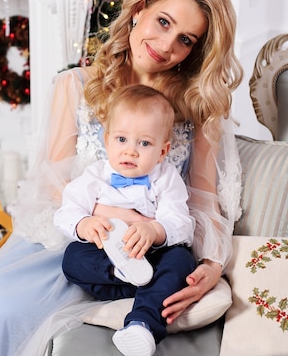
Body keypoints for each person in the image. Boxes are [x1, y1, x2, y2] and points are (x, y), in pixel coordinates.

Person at [0, 0, 243, 356]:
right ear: (139, 9)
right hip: (76, 240)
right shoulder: (75, 86)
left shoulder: (198, 108)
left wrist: (210, 264)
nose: (167, 43)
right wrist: (100, 220)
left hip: (151, 248)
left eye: (185, 39)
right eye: (163, 21)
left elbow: (203, 199)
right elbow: (51, 186)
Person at [55, 84, 196, 356]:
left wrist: (155, 229)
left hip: (152, 257)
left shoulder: (166, 178)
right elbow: (65, 212)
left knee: (182, 260)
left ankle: (141, 325)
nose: (131, 151)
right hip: (108, 260)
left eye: (144, 143)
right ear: (107, 140)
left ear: (163, 151)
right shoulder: (95, 176)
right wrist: (83, 224)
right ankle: (119, 270)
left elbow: (182, 223)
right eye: (121, 140)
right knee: (72, 257)